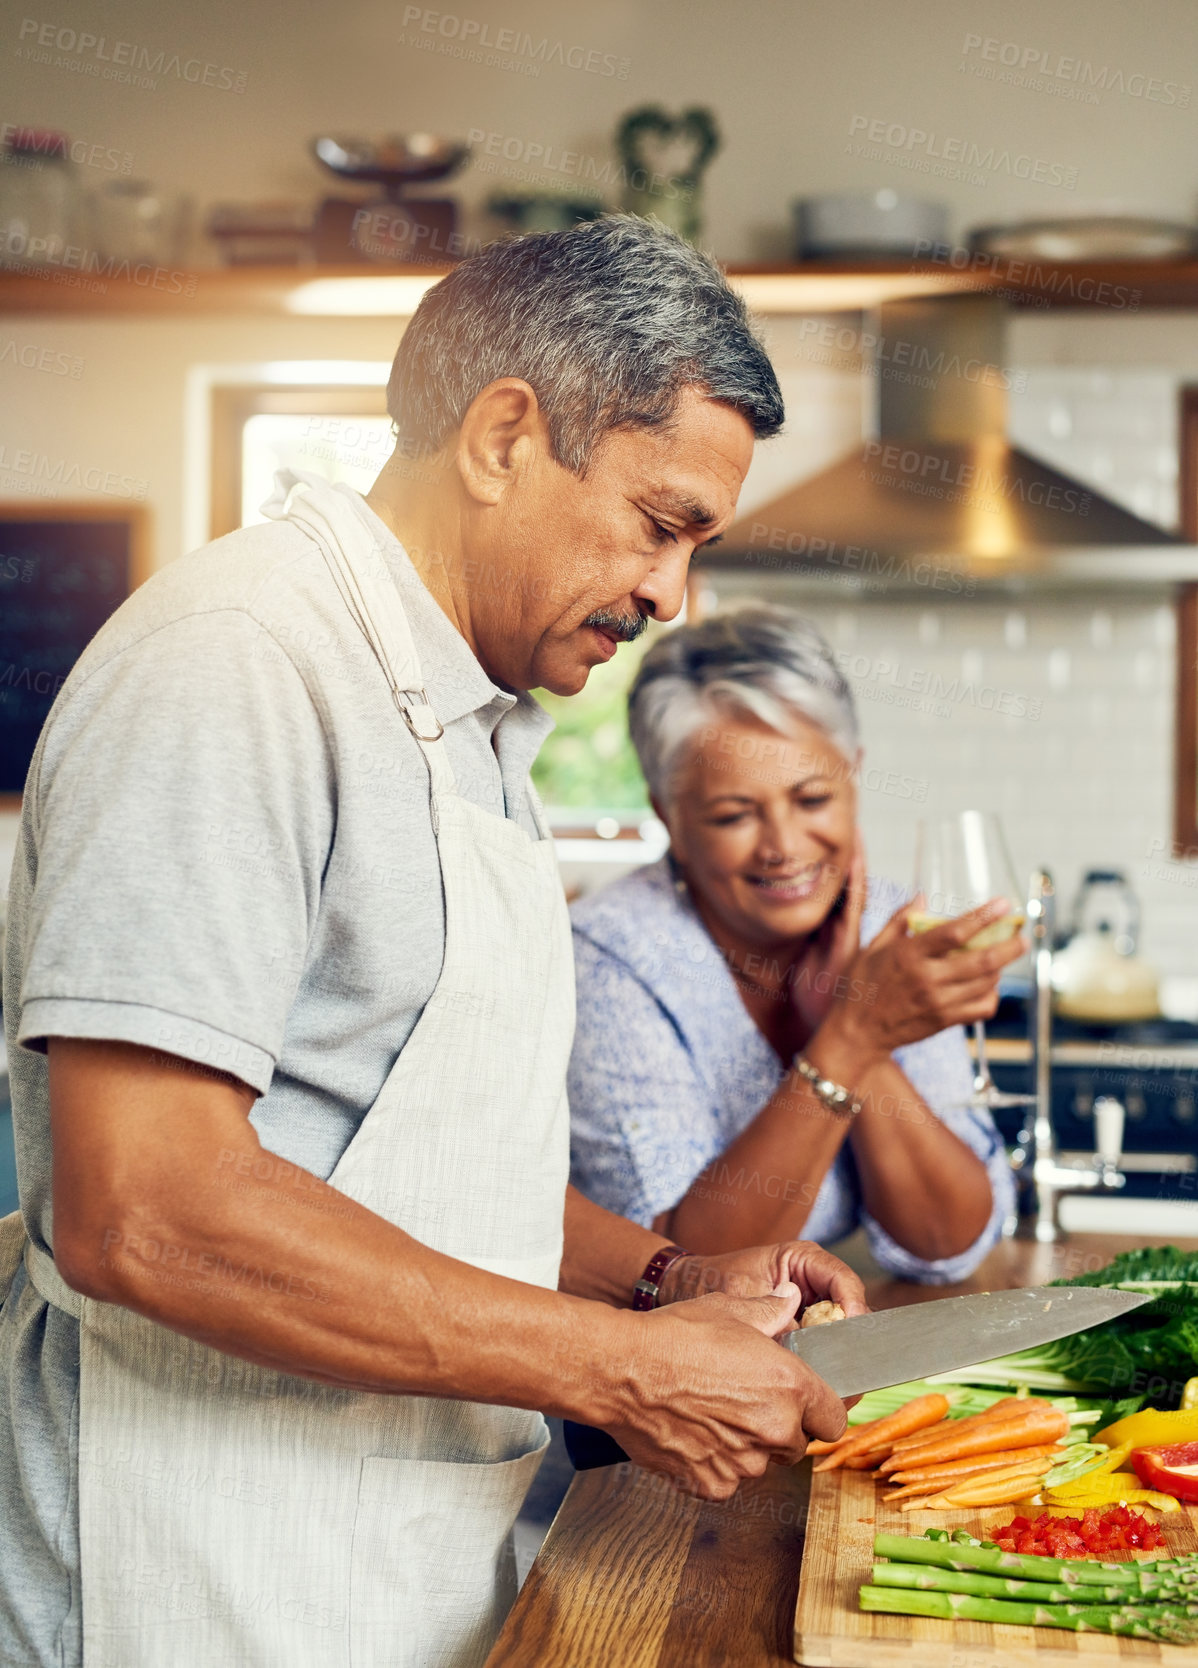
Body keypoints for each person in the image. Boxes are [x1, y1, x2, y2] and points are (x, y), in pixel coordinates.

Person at [0, 219, 869, 1668]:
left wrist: (661, 1283)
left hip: (374, 1559)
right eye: (660, 525)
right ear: (503, 436)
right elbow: (138, 1207)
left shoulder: (460, 717)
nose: (668, 599)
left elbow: (409, 1163)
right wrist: (621, 1368)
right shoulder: (235, 667)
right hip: (194, 1575)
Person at [569, 605, 1020, 1278]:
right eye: (734, 815)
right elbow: (677, 1272)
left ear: (854, 776)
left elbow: (949, 1245)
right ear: (669, 815)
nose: (784, 848)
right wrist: (853, 1036)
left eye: (812, 800)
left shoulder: (891, 929)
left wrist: (857, 1019)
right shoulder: (609, 959)